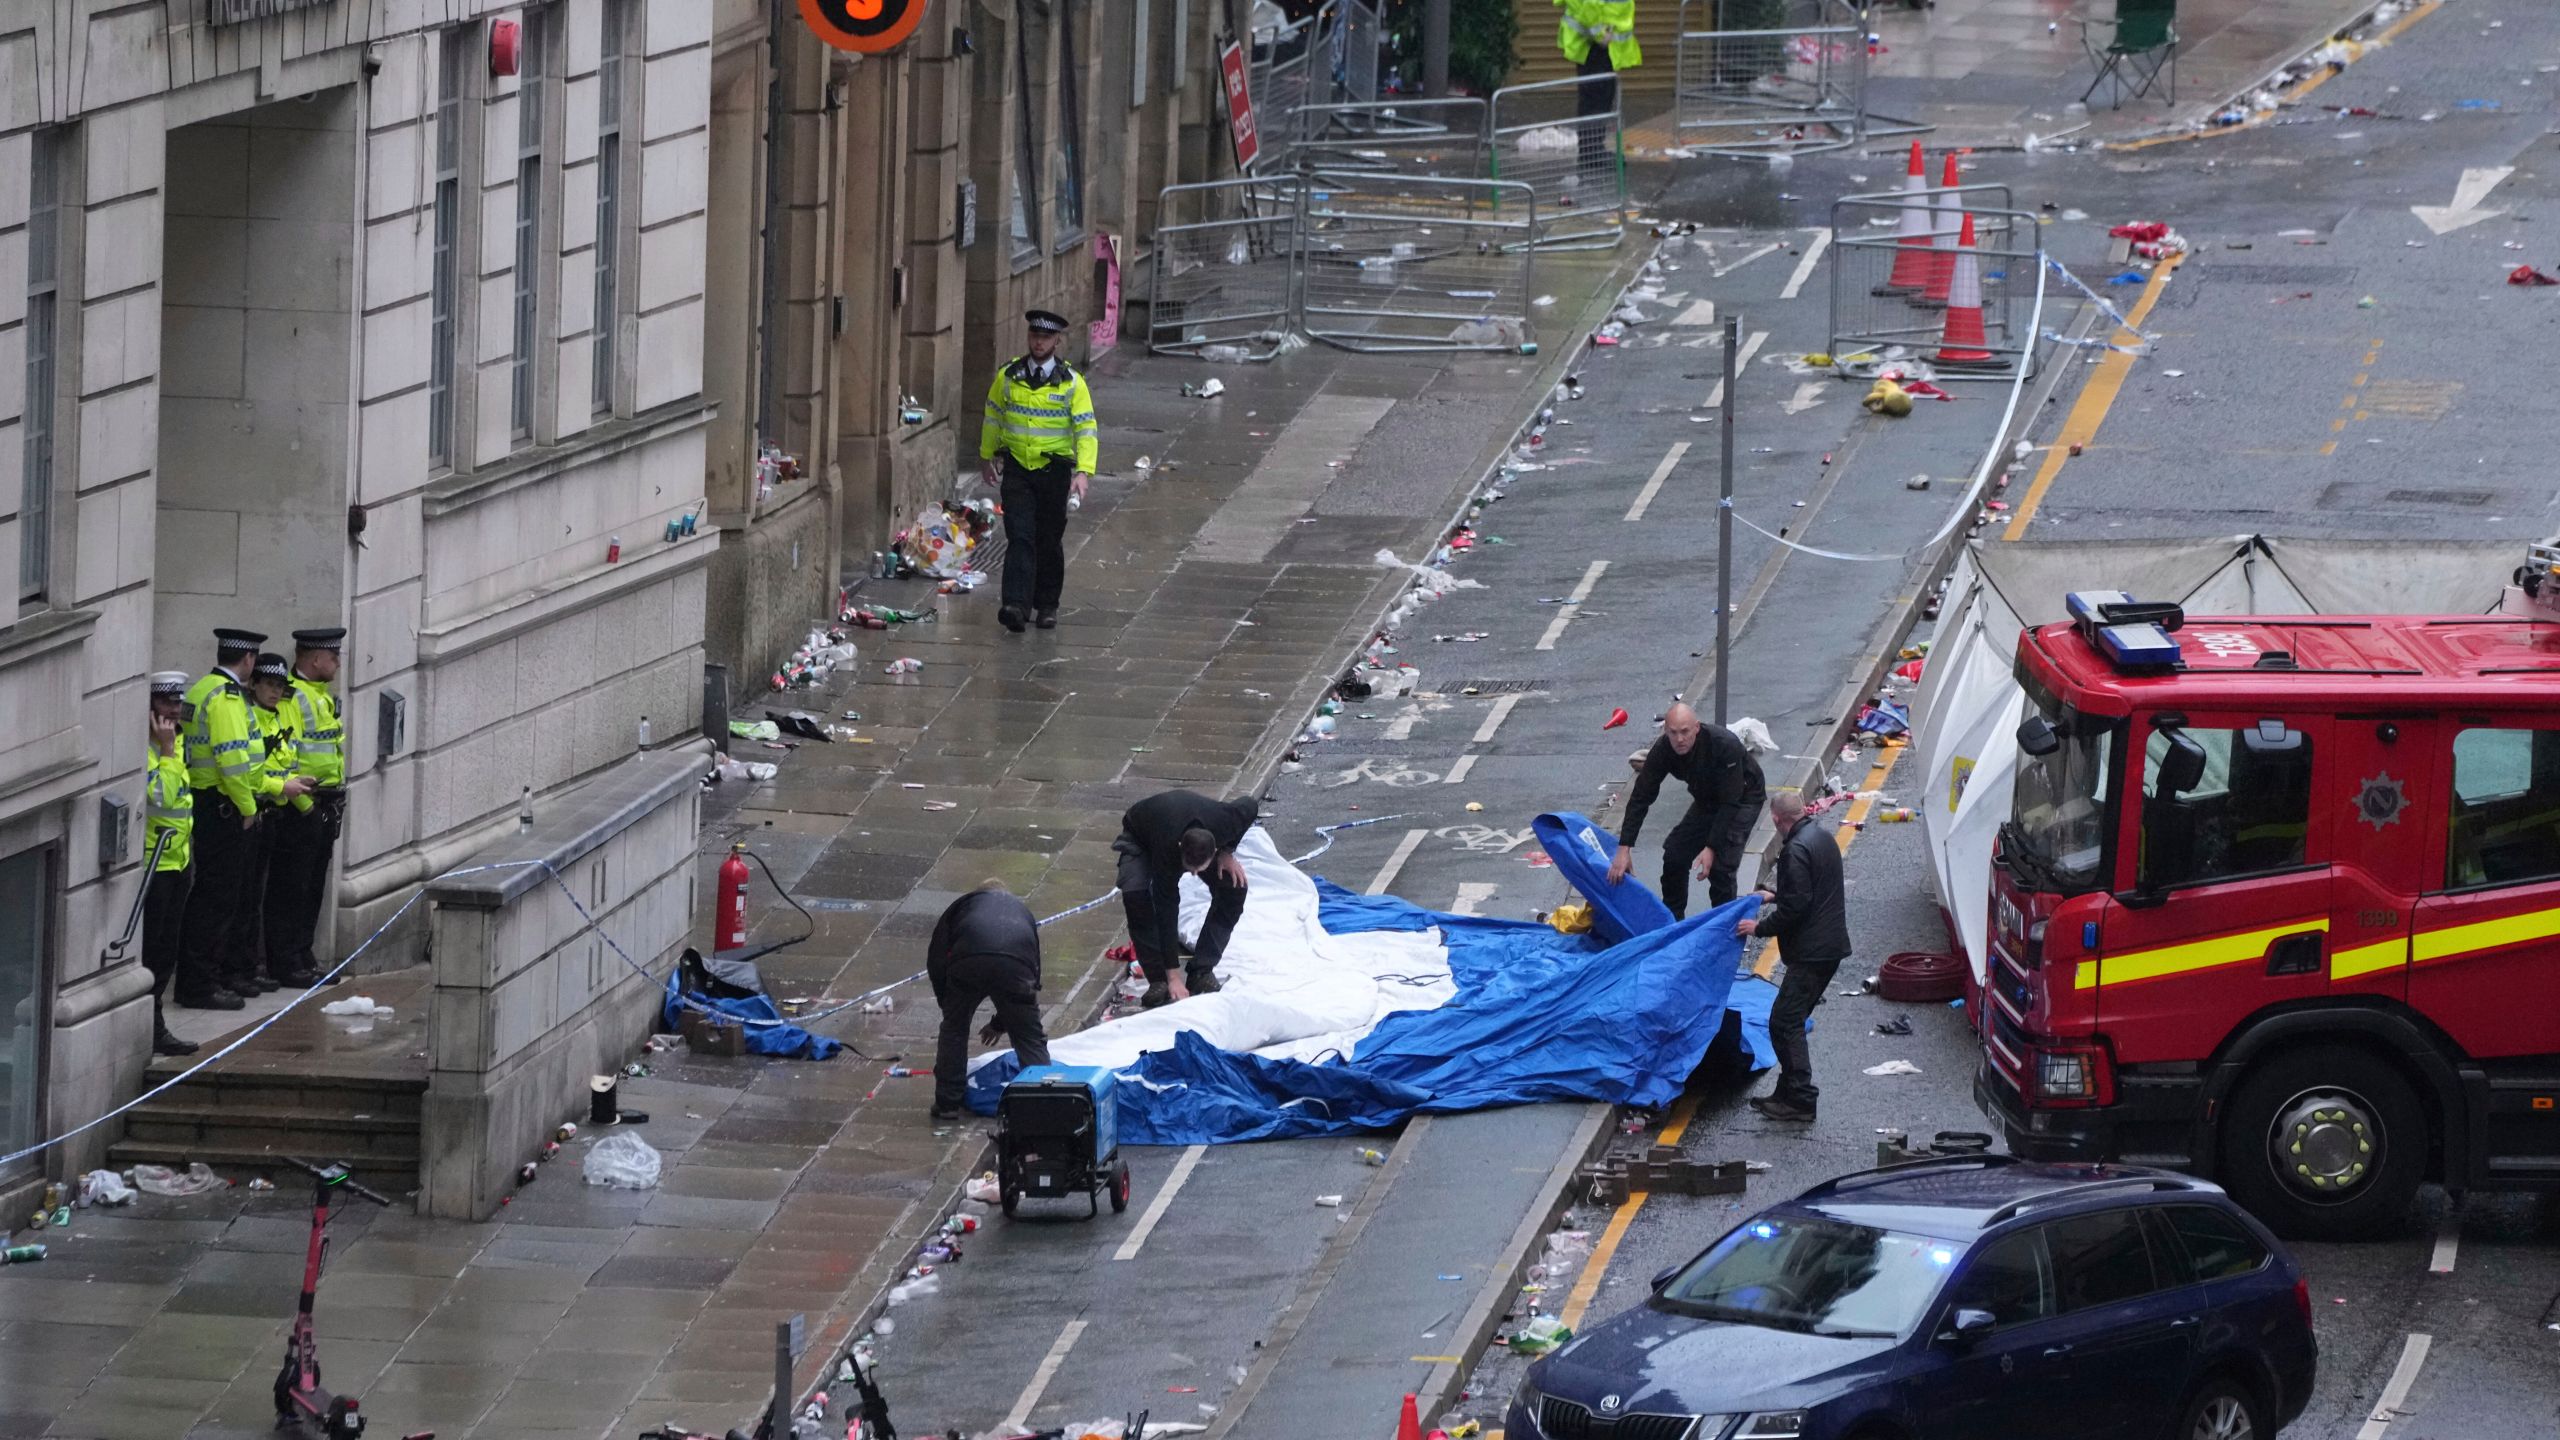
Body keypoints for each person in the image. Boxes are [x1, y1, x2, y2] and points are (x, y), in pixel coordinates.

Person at [177, 630, 309, 1010]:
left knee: (217, 897)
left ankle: (206, 978)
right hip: (224, 807)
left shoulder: (201, 689)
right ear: (249, 659)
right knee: (217, 901)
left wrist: (268, 790)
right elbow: (234, 764)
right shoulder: (226, 698)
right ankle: (201, 984)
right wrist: (249, 810)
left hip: (210, 802)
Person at [978, 309, 1098, 633]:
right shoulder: (1009, 376)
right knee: (1019, 536)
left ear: (1057, 341)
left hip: (1054, 471)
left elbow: (1086, 429)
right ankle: (1015, 605)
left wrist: (1083, 472)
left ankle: (1046, 605)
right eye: (1034, 335)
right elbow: (993, 416)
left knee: (1048, 538)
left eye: (1046, 337)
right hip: (1018, 467)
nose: (1039, 342)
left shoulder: (1072, 382)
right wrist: (986, 456)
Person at [1734, 791, 1851, 1122]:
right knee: (1790, 1021)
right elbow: (1808, 889)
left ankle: (1800, 1099)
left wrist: (1758, 928)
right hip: (1828, 948)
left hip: (1812, 953)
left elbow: (1796, 906)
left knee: (1785, 1023)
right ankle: (1786, 1093)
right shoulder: (1821, 837)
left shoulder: (1795, 850)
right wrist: (1773, 895)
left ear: (1776, 819)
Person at [1607, 702, 1766, 917]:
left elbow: (1730, 802)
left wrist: (1711, 847)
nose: (1680, 739)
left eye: (1685, 732)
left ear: (1696, 728)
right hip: (1706, 797)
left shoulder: (1723, 744)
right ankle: (1673, 920)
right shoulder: (1663, 750)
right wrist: (1624, 847)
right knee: (1675, 854)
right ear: (1666, 731)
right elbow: (1641, 796)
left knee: (1720, 867)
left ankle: (1725, 925)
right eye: (1673, 733)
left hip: (1743, 796)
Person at [1114, 788, 1258, 1008]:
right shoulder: (1166, 848)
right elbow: (1167, 908)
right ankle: (1158, 980)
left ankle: (1202, 970)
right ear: (1180, 849)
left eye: (1199, 870)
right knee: (1136, 896)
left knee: (1234, 887)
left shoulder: (1225, 822)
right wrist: (1173, 976)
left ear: (1213, 849)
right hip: (1141, 836)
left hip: (1196, 833)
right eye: (1189, 869)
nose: (1193, 874)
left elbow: (1250, 805)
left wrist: (1227, 852)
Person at [925, 882, 1052, 1124]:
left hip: (968, 962)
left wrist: (948, 1005)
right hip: (1016, 967)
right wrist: (1002, 1024)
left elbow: (936, 958)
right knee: (1029, 1038)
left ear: (977, 894)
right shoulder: (1021, 911)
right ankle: (1044, 1106)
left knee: (954, 1031)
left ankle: (948, 1104)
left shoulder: (963, 906)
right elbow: (1032, 973)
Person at [262, 628, 347, 988]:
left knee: (312, 886)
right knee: (291, 888)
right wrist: (305, 807)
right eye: (333, 656)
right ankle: (286, 961)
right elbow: (287, 756)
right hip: (301, 805)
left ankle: (303, 954)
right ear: (314, 659)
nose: (338, 663)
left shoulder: (320, 696)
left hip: (325, 801)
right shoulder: (293, 697)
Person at [234, 652, 302, 997]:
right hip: (253, 812)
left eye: (280, 687)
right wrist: (281, 787)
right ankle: (241, 968)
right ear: (254, 685)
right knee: (244, 897)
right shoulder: (251, 719)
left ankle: (250, 966)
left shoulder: (275, 720)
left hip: (274, 813)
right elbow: (248, 774)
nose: (275, 692)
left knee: (256, 896)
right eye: (270, 685)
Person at [142, 672, 200, 1057]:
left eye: (178, 703)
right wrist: (165, 750)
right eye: (167, 703)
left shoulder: (175, 745)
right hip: (155, 866)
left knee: (167, 952)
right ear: (149, 709)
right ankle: (152, 1027)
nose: (175, 710)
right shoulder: (153, 750)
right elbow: (160, 798)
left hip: (178, 861)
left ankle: (155, 1024)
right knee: (153, 952)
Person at [1557, 0, 1642, 172]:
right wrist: (1599, 34)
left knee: (1598, 99)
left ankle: (1593, 151)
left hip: (1596, 43)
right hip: (1595, 45)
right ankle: (1592, 155)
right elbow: (1590, 3)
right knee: (1597, 101)